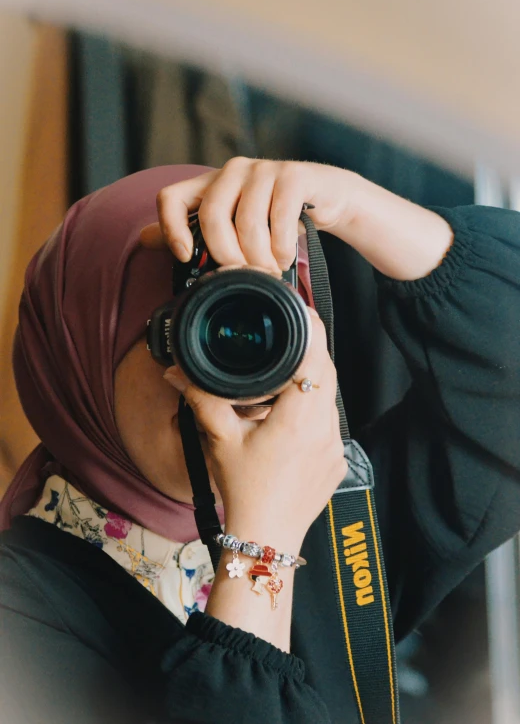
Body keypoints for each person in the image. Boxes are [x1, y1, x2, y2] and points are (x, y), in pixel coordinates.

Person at [0, 158, 519, 724]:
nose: (239, 380)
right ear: (81, 359)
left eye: (263, 321)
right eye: (200, 328)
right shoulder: (18, 617)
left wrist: (354, 206)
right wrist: (263, 545)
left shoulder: (330, 519)